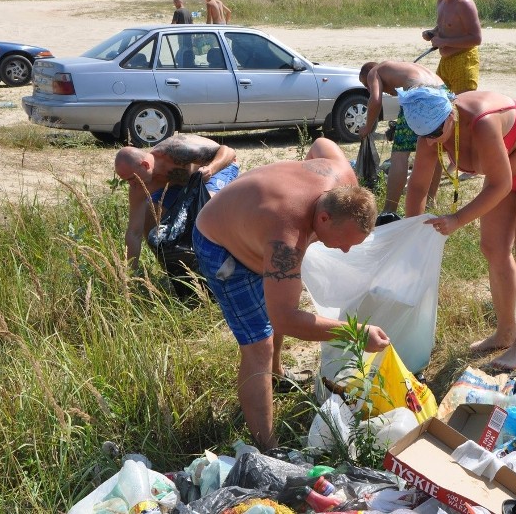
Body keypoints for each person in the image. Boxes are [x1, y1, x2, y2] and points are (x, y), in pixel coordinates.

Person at [192, 137, 390, 449]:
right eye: (344, 241)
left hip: (253, 223)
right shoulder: (286, 236)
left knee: (283, 296)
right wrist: (356, 333)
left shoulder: (342, 177)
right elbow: (284, 319)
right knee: (259, 346)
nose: (347, 250)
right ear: (323, 218)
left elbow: (322, 143)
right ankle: (268, 448)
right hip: (221, 244)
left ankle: (277, 376)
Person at [397, 86, 516, 371]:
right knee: (493, 248)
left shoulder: (483, 122)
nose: (430, 142)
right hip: (503, 173)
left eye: (435, 134)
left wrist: (456, 219)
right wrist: (410, 233)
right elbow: (417, 187)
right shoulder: (429, 133)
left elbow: (499, 184)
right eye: (424, 136)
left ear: (450, 115)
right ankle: (505, 332)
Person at [114, 135, 238, 270]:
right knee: (150, 213)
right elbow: (134, 232)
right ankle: (174, 267)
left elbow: (228, 151)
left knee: (207, 208)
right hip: (182, 184)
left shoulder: (176, 152)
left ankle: (221, 265)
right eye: (126, 180)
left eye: (132, 178)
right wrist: (130, 275)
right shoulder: (138, 187)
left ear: (145, 165)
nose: (131, 185)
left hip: (218, 169)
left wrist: (211, 168)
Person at [358, 60, 444, 214]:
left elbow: (376, 100)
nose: (368, 88)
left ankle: (389, 210)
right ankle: (431, 202)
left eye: (366, 85)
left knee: (399, 154)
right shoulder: (399, 67)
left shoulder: (374, 71)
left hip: (419, 94)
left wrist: (367, 127)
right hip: (443, 93)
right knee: (434, 150)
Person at [421, 0, 482, 94]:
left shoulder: (464, 3)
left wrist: (444, 42)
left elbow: (476, 38)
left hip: (464, 61)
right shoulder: (441, 2)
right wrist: (432, 32)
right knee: (440, 105)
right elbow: (445, 26)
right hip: (445, 62)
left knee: (462, 106)